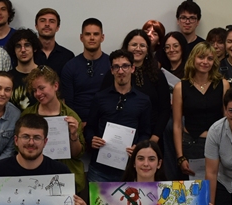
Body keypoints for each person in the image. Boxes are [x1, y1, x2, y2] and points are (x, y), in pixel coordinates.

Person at [85, 49, 153, 183]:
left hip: (130, 169)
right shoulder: (100, 97)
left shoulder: (143, 100)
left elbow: (145, 132)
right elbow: (89, 127)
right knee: (96, 199)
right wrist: (91, 139)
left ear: (132, 68)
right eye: (116, 67)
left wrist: (138, 147)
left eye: (125, 66)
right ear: (111, 70)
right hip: (99, 170)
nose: (120, 71)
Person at [22, 66, 85, 191]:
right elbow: (19, 148)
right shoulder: (28, 115)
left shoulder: (70, 116)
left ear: (55, 86)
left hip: (65, 178)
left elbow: (77, 154)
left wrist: (73, 136)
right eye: (34, 90)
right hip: (35, 178)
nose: (38, 94)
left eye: (41, 88)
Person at [174, 42, 228, 179]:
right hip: (191, 145)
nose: (205, 62)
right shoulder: (180, 87)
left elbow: (227, 120)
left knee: (217, 186)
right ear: (193, 59)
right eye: (201, 57)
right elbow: (177, 125)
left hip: (217, 144)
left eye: (210, 58)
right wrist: (180, 157)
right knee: (194, 189)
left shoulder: (223, 84)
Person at [107, 29, 170, 144]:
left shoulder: (157, 74)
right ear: (126, 47)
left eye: (142, 45)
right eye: (134, 45)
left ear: (148, 49)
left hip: (151, 136)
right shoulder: (115, 72)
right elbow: (104, 100)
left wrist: (155, 137)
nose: (138, 49)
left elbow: (165, 109)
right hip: (118, 136)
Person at [60, 17, 110, 126]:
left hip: (105, 123)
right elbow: (68, 103)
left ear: (102, 37)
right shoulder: (70, 66)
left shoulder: (111, 65)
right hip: (77, 124)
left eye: (96, 34)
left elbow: (114, 98)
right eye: (88, 34)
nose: (92, 38)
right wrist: (78, 124)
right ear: (81, 38)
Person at [6, 28, 39, 111]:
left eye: (27, 45)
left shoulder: (45, 74)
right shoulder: (8, 78)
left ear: (34, 48)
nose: (23, 50)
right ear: (13, 50)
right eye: (18, 46)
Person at [33, 8, 73, 74]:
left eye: (52, 21)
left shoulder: (67, 56)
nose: (47, 24)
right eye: (42, 21)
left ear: (57, 27)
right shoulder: (28, 54)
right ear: (36, 26)